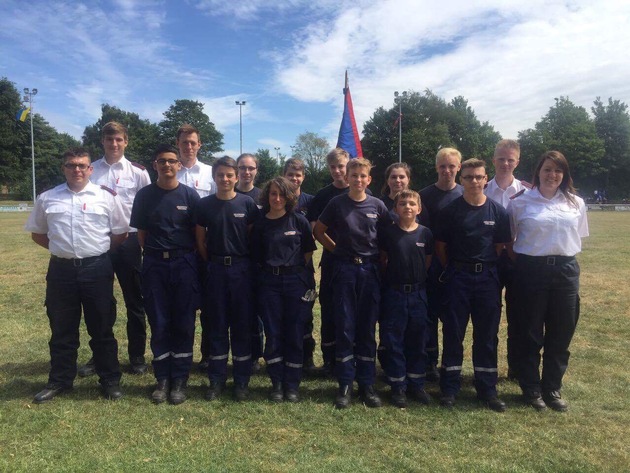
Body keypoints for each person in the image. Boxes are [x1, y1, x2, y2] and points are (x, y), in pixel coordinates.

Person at [25, 148, 128, 403]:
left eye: (82, 165)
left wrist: (94, 253)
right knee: (61, 329)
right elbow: (37, 233)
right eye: (71, 165)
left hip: (97, 269)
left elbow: (120, 233)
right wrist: (63, 250)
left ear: (90, 169)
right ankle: (60, 380)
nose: (77, 170)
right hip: (61, 271)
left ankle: (110, 380)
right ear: (64, 168)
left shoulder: (106, 197)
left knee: (102, 327)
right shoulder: (48, 198)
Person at [507, 151, 588, 412]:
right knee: (529, 331)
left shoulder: (576, 203)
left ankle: (552, 387)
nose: (552, 175)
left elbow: (578, 237)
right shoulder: (519, 202)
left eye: (558, 170)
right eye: (547, 170)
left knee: (561, 331)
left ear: (564, 174)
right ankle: (530, 387)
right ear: (538, 172)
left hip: (565, 271)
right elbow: (510, 241)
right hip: (531, 270)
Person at [314, 158, 391, 409]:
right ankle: (345, 384)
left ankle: (367, 384)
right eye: (354, 175)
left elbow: (388, 236)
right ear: (347, 178)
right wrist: (336, 250)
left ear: (369, 180)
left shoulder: (378, 206)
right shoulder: (336, 203)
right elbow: (318, 231)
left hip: (369, 271)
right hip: (345, 269)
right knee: (345, 326)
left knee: (367, 328)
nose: (358, 179)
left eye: (363, 176)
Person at [435, 158, 511, 412]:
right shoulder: (450, 211)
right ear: (461, 179)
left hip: (487, 280)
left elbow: (501, 247)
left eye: (479, 177)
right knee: (453, 332)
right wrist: (457, 269)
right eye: (468, 177)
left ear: (485, 179)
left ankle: (487, 388)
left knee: (487, 335)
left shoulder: (498, 212)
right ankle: (450, 387)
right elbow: (441, 248)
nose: (474, 181)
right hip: (458, 277)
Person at [130, 144, 200, 405]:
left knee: (183, 322)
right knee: (159, 321)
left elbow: (197, 235)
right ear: (154, 164)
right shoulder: (145, 196)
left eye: (172, 161)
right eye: (162, 161)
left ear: (179, 165)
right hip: (155, 266)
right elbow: (141, 235)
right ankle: (162, 379)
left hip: (184, 265)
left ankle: (180, 379)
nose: (167, 165)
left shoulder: (190, 197)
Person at [82, 121, 151, 376]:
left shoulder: (138, 172)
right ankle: (99, 355)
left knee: (135, 301)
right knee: (99, 302)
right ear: (102, 141)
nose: (114, 144)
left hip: (129, 242)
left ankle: (136, 355)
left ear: (126, 141)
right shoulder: (91, 170)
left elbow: (146, 208)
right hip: (99, 241)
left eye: (119, 139)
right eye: (109, 139)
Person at [195, 156, 259, 401]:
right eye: (220, 175)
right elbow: (200, 241)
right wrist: (214, 263)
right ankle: (216, 380)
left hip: (242, 271)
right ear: (214, 177)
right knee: (217, 326)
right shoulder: (204, 205)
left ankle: (241, 381)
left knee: (242, 326)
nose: (225, 179)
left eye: (229, 175)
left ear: (236, 177)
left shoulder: (247, 204)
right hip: (216, 271)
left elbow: (253, 240)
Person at [251, 177, 317, 402]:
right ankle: (277, 383)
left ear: (289, 197)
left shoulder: (299, 221)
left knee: (294, 333)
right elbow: (256, 256)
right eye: (272, 194)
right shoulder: (260, 223)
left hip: (295, 283)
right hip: (269, 284)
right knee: (274, 333)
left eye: (281, 194)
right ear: (267, 196)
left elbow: (308, 252)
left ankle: (292, 384)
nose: (277, 198)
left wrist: (296, 273)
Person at [379, 190, 433, 408]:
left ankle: (416, 384)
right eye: (403, 203)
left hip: (418, 294)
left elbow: (427, 261)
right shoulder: (388, 233)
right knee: (394, 340)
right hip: (395, 293)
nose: (408, 207)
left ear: (419, 209)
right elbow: (383, 261)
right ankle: (398, 386)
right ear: (395, 209)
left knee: (418, 339)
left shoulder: (425, 234)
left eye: (412, 203)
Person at [484, 139, 530, 380]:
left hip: (516, 261)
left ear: (517, 161)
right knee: (489, 317)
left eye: (510, 159)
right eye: (501, 158)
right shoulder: (481, 189)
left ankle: (515, 367)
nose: (505, 163)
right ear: (494, 160)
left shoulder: (528, 193)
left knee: (518, 316)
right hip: (489, 261)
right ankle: (488, 367)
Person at [419, 148, 463, 382]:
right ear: (436, 167)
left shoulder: (466, 194)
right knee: (428, 316)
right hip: (429, 265)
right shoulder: (423, 196)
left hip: (457, 268)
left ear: (459, 167)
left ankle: (450, 364)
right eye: (443, 166)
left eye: (452, 166)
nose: (447, 170)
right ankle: (429, 363)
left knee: (453, 319)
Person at [306, 148, 351, 377]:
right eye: (333, 167)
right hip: (332, 261)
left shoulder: (362, 192)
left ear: (348, 165)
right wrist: (338, 249)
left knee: (351, 312)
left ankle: (349, 359)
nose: (337, 171)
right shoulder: (322, 196)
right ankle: (329, 360)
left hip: (357, 264)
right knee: (330, 310)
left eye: (341, 166)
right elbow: (315, 229)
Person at [175, 124, 215, 372]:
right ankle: (182, 354)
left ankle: (209, 355)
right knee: (183, 306)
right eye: (184, 142)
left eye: (193, 142)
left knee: (210, 304)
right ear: (178, 144)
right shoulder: (168, 171)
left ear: (199, 144)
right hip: (179, 250)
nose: (188, 147)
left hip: (207, 250)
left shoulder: (212, 173)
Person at [283, 158, 317, 374]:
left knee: (305, 315)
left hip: (304, 269)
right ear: (284, 175)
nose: (295, 179)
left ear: (303, 177)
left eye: (298, 175)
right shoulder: (276, 198)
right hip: (278, 268)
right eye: (290, 174)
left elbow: (312, 237)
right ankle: (283, 356)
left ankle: (307, 358)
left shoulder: (310, 201)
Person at [235, 152, 264, 373]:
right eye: (242, 167)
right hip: (235, 262)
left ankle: (255, 355)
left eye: (250, 168)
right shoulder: (227, 194)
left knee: (256, 311)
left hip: (258, 262)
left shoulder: (264, 197)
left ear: (256, 171)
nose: (246, 172)